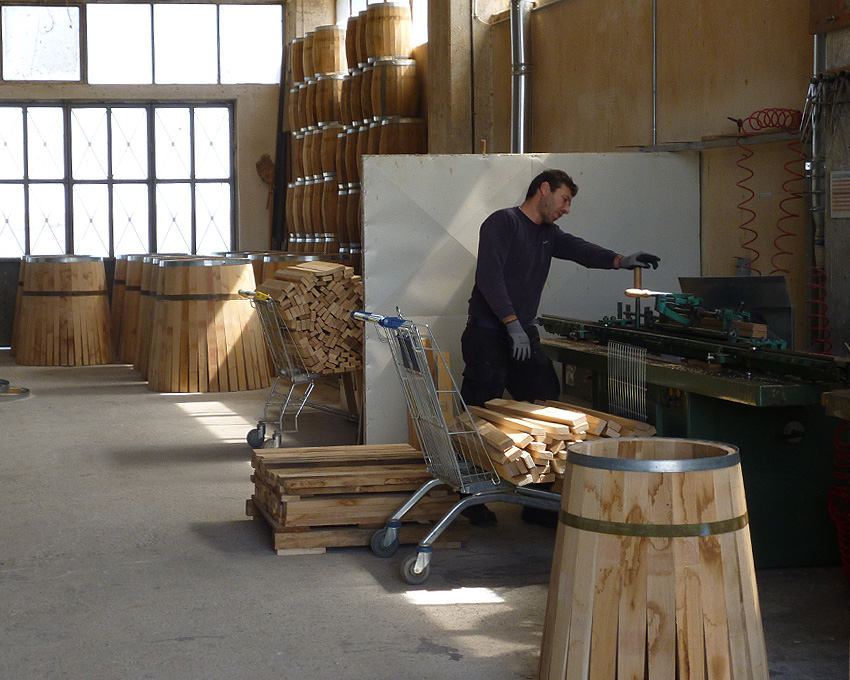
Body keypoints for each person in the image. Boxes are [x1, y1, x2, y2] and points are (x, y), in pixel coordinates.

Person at [459, 168, 660, 526]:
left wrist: (621, 260)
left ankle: (537, 503)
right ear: (544, 189)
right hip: (488, 335)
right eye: (564, 199)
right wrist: (511, 323)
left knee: (544, 402)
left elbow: (581, 250)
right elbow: (488, 276)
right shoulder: (503, 223)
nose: (566, 209)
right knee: (478, 411)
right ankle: (470, 498)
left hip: (522, 333)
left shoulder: (548, 235)